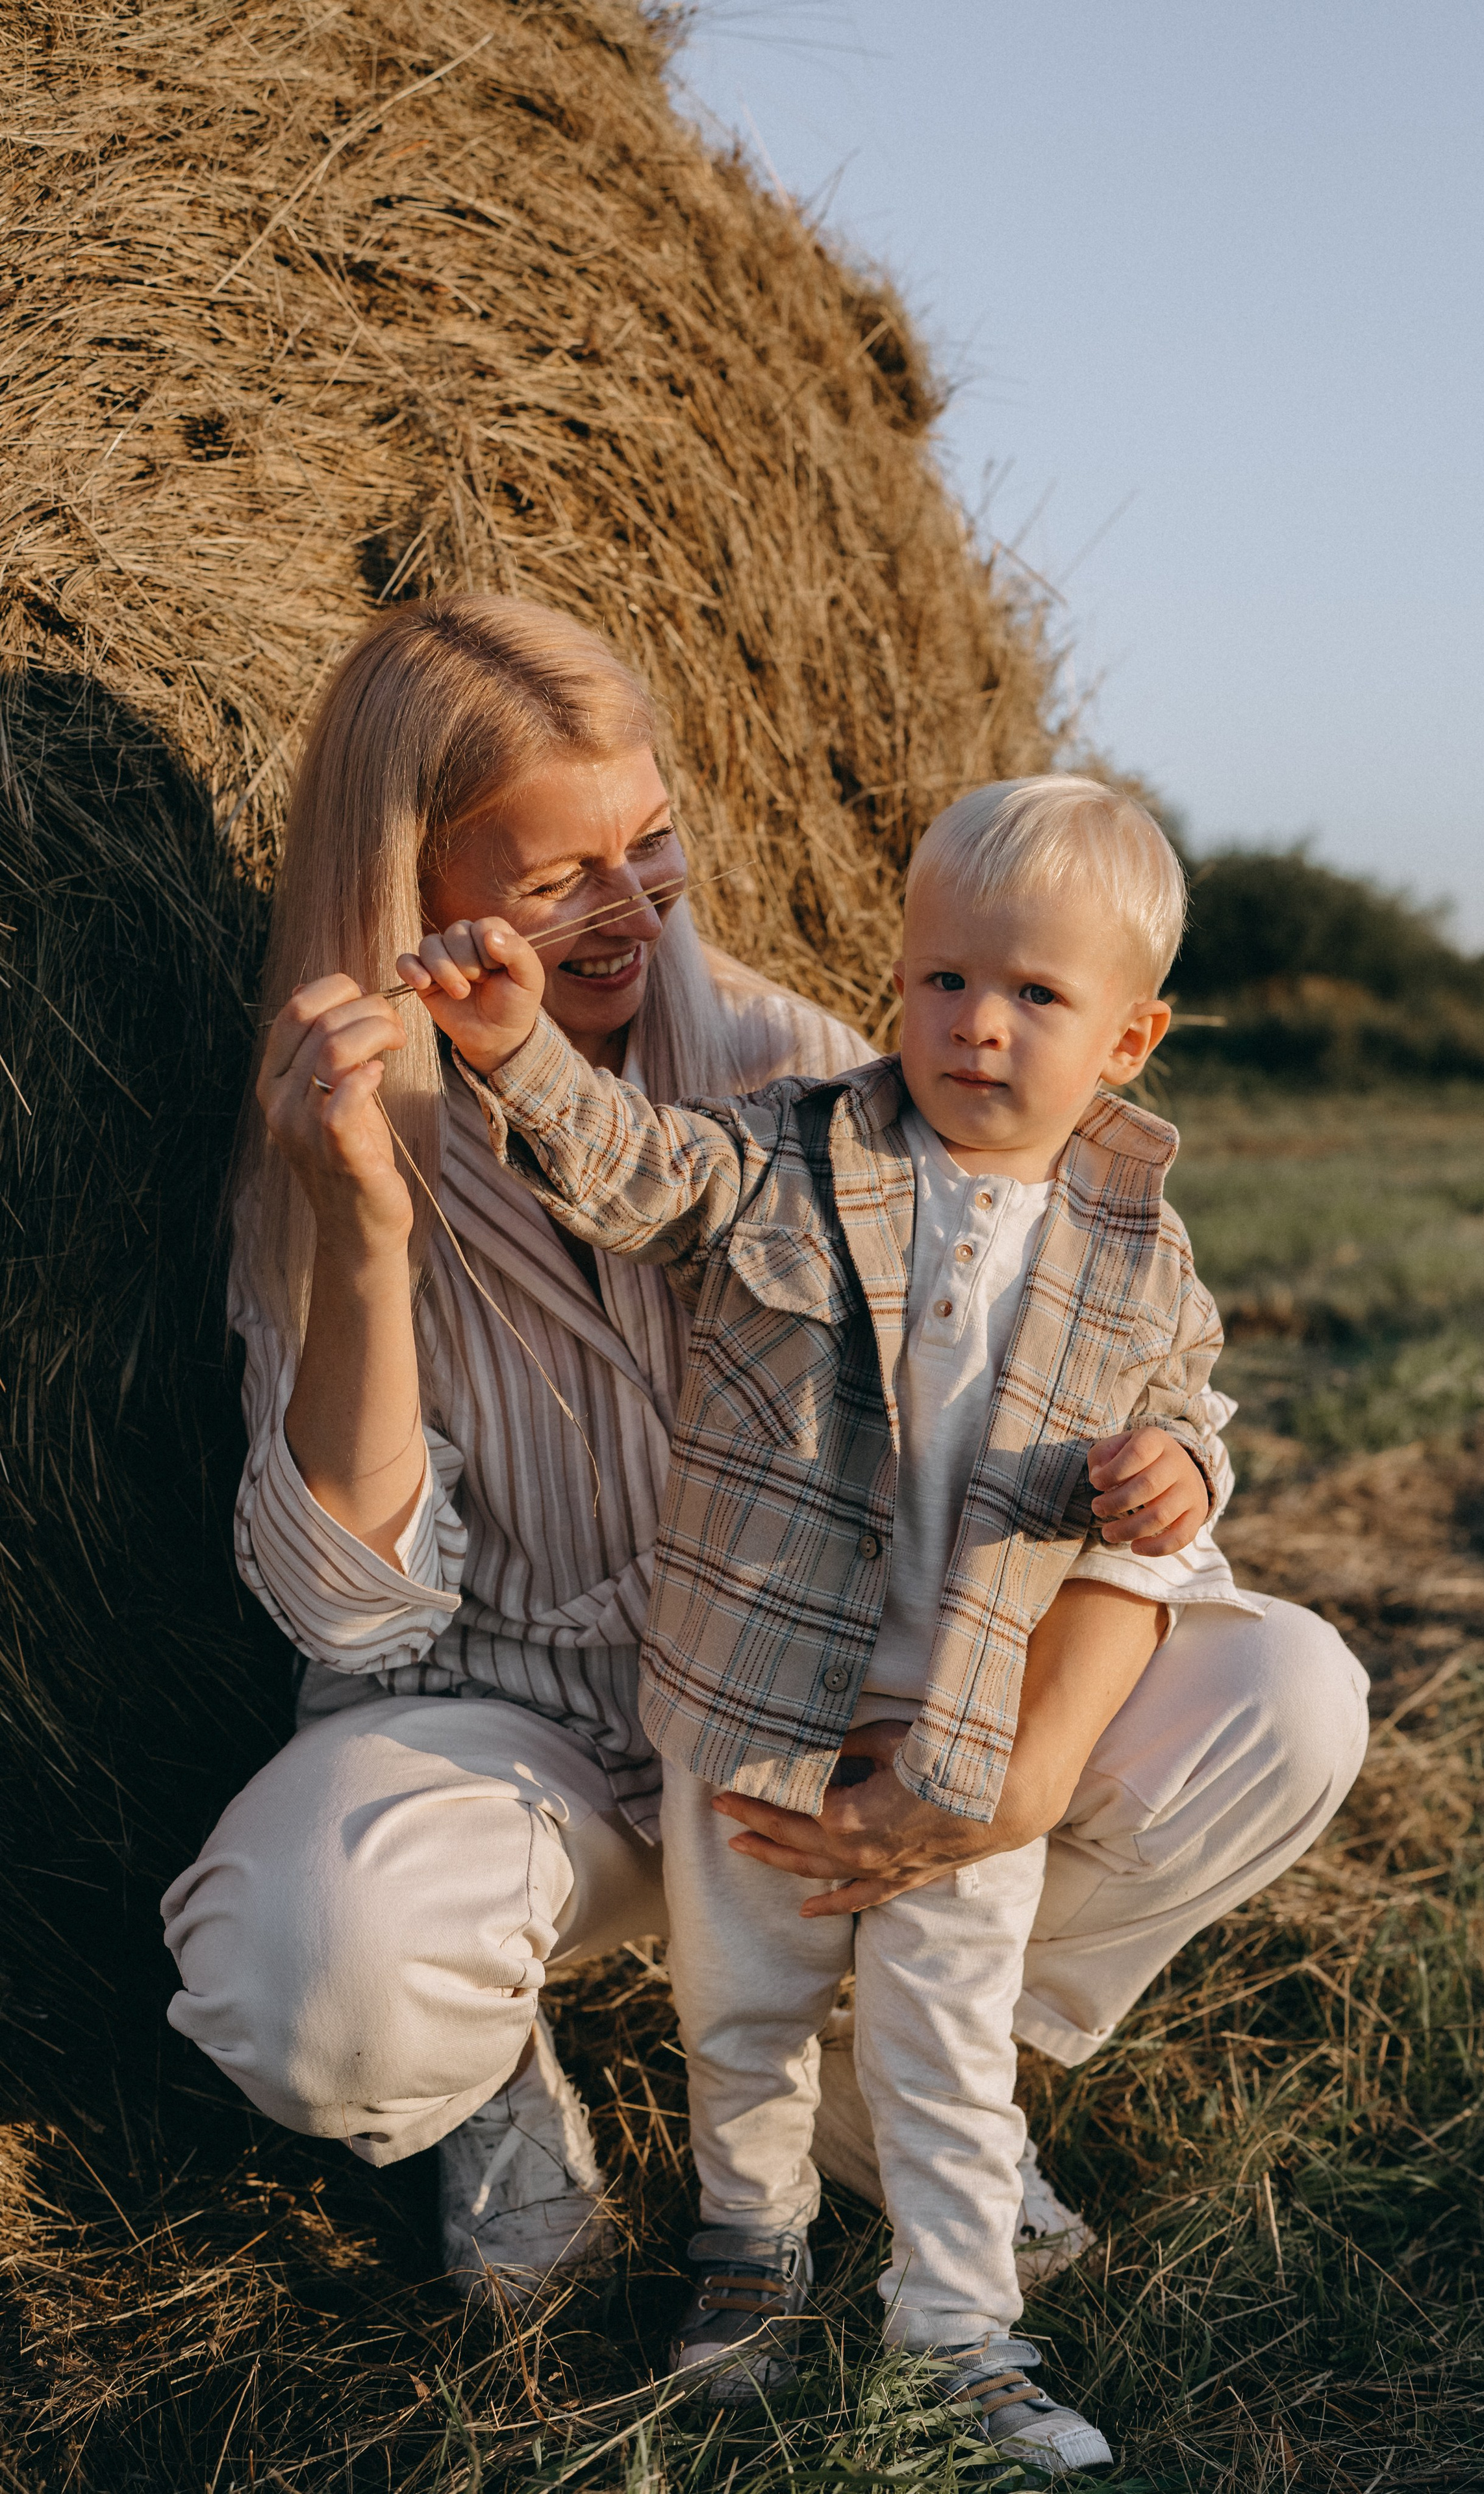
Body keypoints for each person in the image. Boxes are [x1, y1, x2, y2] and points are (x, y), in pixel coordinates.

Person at [161, 594, 1366, 2345]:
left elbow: (1087, 1370)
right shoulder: (323, 1137)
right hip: (534, 1739)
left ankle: (889, 2066)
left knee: (1288, 1700)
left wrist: (1010, 1769)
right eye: (554, 874)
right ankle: (497, 2081)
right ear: (414, 893)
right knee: (295, 1972)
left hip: (824, 1707)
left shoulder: (811, 1080)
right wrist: (361, 1228)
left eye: (649, 845)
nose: (632, 908)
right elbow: (352, 1603)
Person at [393, 774, 1368, 2475]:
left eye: (1036, 996)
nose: (978, 1025)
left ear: (1128, 1040)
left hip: (971, 1724)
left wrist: (1174, 1473)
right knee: (743, 2014)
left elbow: (1190, 1413)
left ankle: (961, 2340)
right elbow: (638, 1176)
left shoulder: (1141, 1251)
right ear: (901, 977)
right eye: (944, 980)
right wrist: (517, 1057)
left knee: (944, 2039)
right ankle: (745, 2262)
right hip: (757, 1686)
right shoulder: (791, 1153)